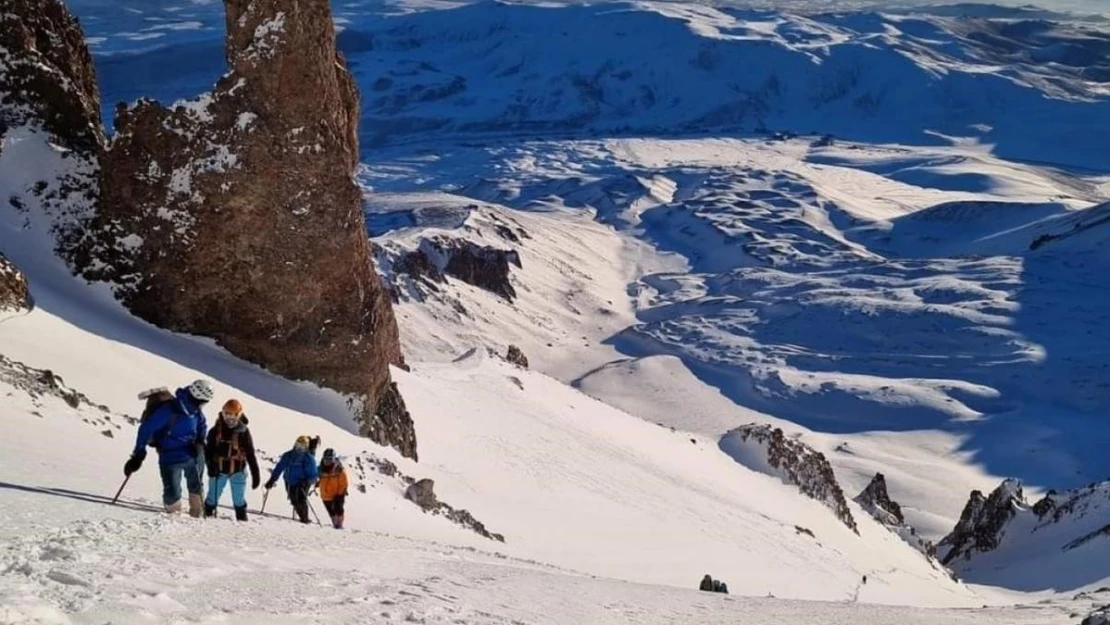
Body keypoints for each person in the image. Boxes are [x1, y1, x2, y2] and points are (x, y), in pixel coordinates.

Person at [124, 379, 213, 516]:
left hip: (193, 454)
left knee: (196, 486)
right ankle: (174, 517)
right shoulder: (170, 409)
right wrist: (138, 454)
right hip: (170, 456)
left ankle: (197, 516)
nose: (204, 405)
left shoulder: (196, 411)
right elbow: (146, 428)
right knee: (172, 495)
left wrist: (200, 442)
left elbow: (202, 425)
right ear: (198, 398)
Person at [203, 399, 261, 521]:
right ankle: (206, 515)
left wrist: (256, 474)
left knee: (239, 499)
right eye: (227, 414)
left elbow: (250, 453)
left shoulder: (243, 432)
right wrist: (210, 465)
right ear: (223, 413)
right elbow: (208, 451)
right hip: (219, 470)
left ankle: (241, 520)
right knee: (212, 497)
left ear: (239, 415)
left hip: (238, 471)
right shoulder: (215, 431)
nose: (230, 419)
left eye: (234, 415)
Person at [265, 435, 319, 524]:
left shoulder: (308, 458)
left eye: (301, 447)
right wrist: (272, 479)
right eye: (297, 445)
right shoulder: (288, 455)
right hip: (289, 480)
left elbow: (313, 474)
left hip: (302, 482)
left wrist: (306, 482)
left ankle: (304, 518)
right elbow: (280, 467)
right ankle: (303, 516)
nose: (298, 448)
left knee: (301, 499)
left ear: (305, 448)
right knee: (293, 499)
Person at [317, 448, 348, 529]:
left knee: (339, 509)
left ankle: (340, 524)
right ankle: (335, 524)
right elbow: (315, 476)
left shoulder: (339, 469)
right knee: (331, 512)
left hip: (337, 494)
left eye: (330, 459)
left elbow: (344, 482)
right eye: (326, 459)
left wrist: (340, 494)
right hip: (325, 495)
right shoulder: (320, 469)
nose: (327, 462)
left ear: (334, 459)